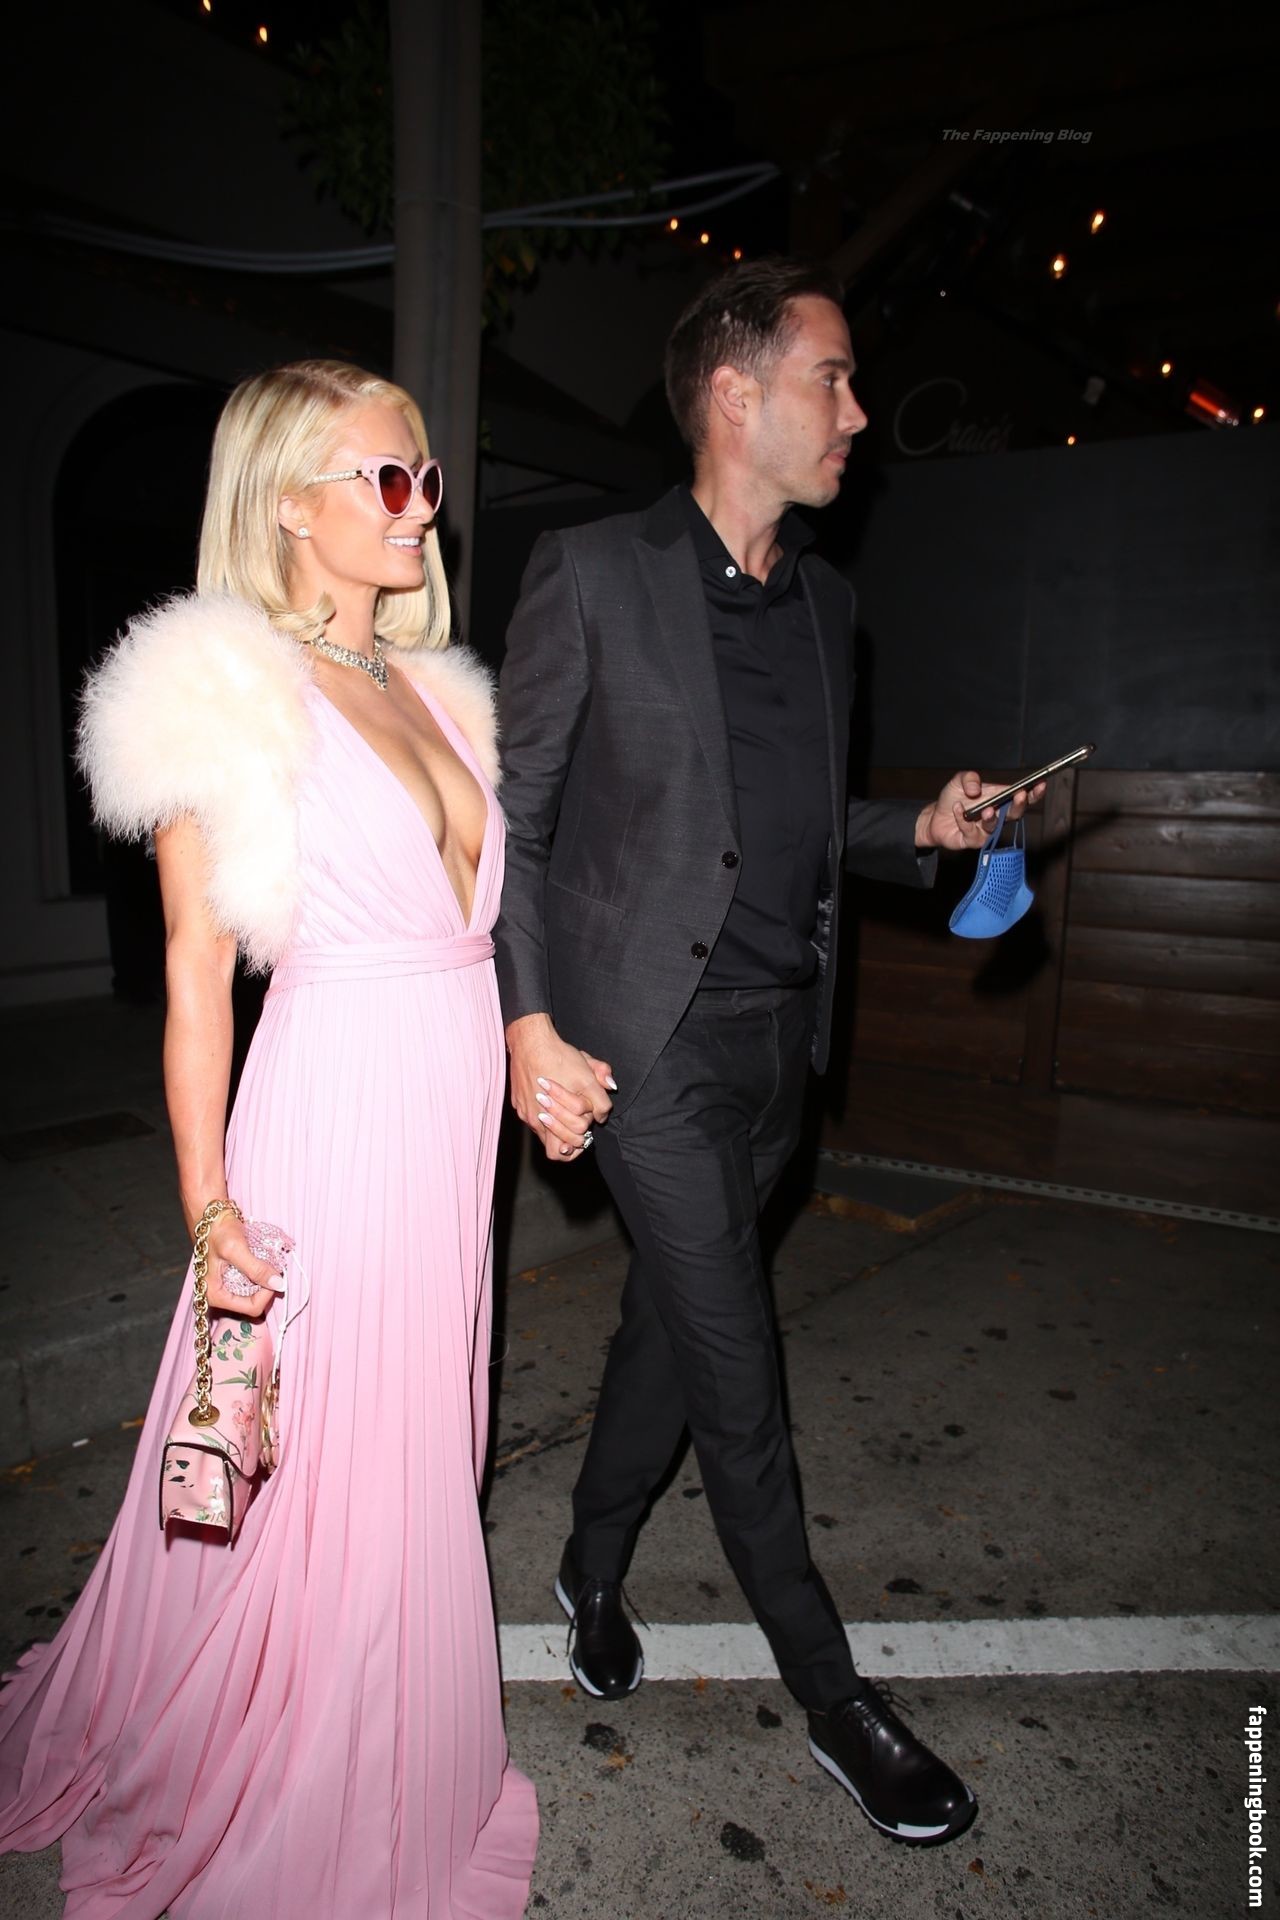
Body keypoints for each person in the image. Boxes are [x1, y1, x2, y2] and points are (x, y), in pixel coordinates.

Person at [493, 257, 1043, 1849]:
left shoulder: (828, 608)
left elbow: (793, 833)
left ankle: (591, 1561)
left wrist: (921, 828)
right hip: (645, 1054)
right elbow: (514, 826)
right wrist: (526, 1021)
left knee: (671, 1329)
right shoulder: (594, 573)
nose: (860, 414)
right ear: (736, 395)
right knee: (741, 1376)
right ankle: (838, 1703)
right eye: (835, 379)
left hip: (779, 1048)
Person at [0, 360, 538, 1916]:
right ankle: (302, 1771)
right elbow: (193, 983)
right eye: (387, 479)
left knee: (421, 1431)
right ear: (290, 505)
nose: (420, 508)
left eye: (428, 478)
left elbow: (475, 927)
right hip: (334, 1112)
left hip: (446, 1121)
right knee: (319, 1463)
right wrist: (207, 1206)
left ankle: (400, 1737)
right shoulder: (225, 694)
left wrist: (528, 1043)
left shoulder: (435, 687)